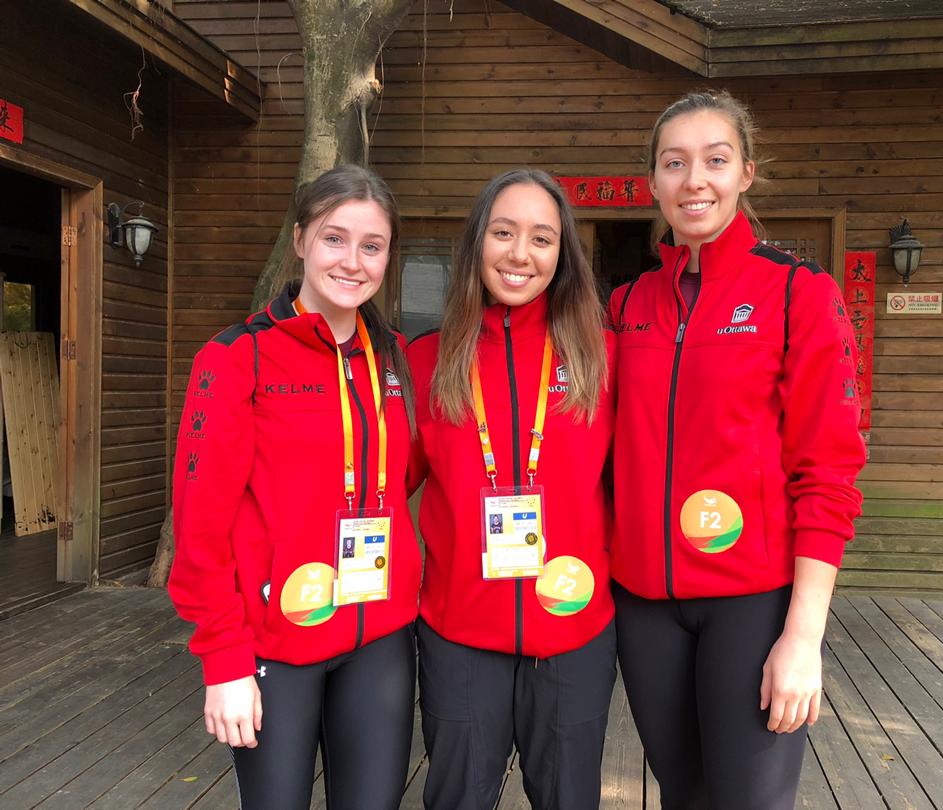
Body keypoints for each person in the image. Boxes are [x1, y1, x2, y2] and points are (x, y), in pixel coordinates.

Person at [607, 90, 866, 809]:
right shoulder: (625, 306)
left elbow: (830, 471)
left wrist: (803, 637)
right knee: (683, 795)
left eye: (715, 160)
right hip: (644, 605)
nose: (695, 180)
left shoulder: (798, 293)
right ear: (653, 182)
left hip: (752, 603)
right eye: (674, 163)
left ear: (746, 172)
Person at [168, 164, 421, 809]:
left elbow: (404, 477)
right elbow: (199, 525)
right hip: (276, 640)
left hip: (379, 635)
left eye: (372, 246)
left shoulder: (395, 358)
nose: (353, 261)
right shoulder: (236, 357)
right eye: (335, 238)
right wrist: (222, 658)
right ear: (301, 239)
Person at [406, 168, 617, 809]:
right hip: (459, 634)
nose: (520, 253)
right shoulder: (425, 360)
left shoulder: (605, 356)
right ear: (477, 241)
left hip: (573, 630)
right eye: (503, 232)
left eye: (541, 238)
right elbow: (374, 488)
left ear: (562, 254)